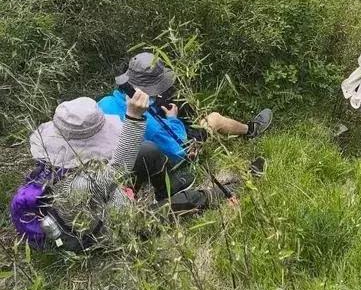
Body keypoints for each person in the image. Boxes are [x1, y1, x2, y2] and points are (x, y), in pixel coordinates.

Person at [98, 52, 272, 202]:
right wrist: (172, 119)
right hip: (167, 159)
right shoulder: (150, 124)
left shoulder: (103, 104)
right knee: (214, 119)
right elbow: (180, 150)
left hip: (122, 168)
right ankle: (250, 130)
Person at [26, 90, 150, 250]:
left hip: (87, 214)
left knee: (147, 152)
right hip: (100, 236)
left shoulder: (57, 168)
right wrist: (134, 117)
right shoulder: (82, 182)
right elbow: (119, 169)